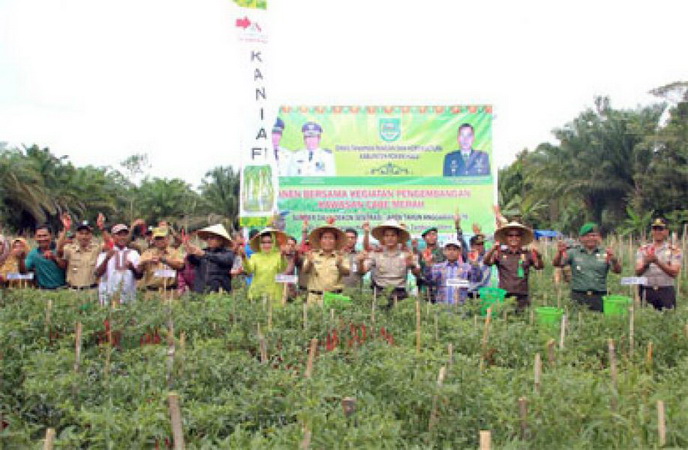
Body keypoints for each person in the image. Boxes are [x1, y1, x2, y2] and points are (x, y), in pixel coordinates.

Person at [553, 223, 622, 311]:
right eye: (587, 236)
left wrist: (614, 260)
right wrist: (559, 253)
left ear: (598, 237)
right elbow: (557, 264)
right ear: (581, 238)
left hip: (599, 296)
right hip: (578, 296)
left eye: (594, 235)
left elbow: (618, 271)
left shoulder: (605, 253)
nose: (591, 238)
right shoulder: (573, 252)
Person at [357, 219, 420, 307]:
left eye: (393, 235)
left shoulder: (407, 254)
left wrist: (412, 265)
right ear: (383, 238)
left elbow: (417, 273)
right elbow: (362, 271)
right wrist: (360, 262)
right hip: (380, 294)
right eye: (387, 235)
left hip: (400, 294)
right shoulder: (376, 253)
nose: (390, 238)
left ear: (398, 237)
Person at [484, 221, 543, 310]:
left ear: (521, 238)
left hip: (522, 296)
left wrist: (539, 256)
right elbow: (487, 262)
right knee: (504, 320)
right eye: (510, 235)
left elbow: (539, 267)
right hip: (504, 295)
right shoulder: (499, 254)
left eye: (517, 235)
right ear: (506, 238)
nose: (514, 238)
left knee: (522, 321)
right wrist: (493, 249)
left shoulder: (528, 254)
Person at [238, 227, 295, 305]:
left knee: (273, 316)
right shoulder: (255, 256)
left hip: (274, 295)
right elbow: (249, 270)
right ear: (259, 243)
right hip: (257, 294)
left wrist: (282, 256)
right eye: (263, 242)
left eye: (269, 242)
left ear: (274, 242)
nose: (266, 245)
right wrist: (244, 258)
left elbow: (282, 268)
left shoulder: (278, 256)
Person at [635, 217, 682, 310]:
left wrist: (657, 261)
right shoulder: (643, 249)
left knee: (667, 319)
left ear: (666, 232)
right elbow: (637, 271)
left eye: (661, 229)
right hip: (647, 290)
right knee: (646, 319)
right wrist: (646, 263)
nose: (657, 232)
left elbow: (674, 272)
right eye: (655, 229)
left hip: (666, 291)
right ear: (652, 231)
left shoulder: (674, 250)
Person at [302, 222, 350, 305]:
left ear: (335, 241)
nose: (328, 241)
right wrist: (310, 262)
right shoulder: (312, 255)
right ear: (320, 240)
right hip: (314, 298)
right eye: (325, 238)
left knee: (334, 318)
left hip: (334, 297)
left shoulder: (341, 256)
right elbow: (305, 271)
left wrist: (339, 265)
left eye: (331, 238)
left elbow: (347, 273)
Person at [57, 217, 107, 291]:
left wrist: (102, 229)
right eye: (81, 233)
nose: (84, 237)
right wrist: (65, 229)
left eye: (87, 234)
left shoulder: (97, 249)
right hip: (73, 291)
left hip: (91, 291)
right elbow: (59, 249)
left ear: (91, 235)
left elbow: (110, 245)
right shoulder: (70, 249)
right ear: (76, 234)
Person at [95, 224, 141, 303]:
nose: (122, 237)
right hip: (108, 297)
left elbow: (139, 276)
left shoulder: (134, 253)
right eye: (119, 235)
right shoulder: (105, 253)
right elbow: (97, 273)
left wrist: (132, 267)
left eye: (125, 235)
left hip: (128, 298)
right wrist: (107, 259)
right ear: (112, 237)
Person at [185, 224, 235, 294]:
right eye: (207, 238)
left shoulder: (228, 253)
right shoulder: (203, 251)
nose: (208, 240)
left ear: (220, 240)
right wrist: (190, 253)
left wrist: (204, 254)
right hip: (201, 291)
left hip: (220, 292)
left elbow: (223, 259)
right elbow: (193, 261)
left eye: (212, 238)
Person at [135, 227, 185, 297]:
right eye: (157, 239)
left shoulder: (174, 252)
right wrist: (144, 262)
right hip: (152, 293)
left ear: (167, 239)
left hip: (170, 292)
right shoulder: (147, 253)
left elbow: (181, 266)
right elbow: (138, 272)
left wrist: (163, 259)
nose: (160, 241)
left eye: (162, 238)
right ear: (153, 240)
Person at [424, 238, 474, 305]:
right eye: (449, 249)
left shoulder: (466, 268)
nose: (451, 252)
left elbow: (477, 278)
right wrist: (428, 265)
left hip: (461, 309)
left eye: (454, 249)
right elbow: (429, 281)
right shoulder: (437, 267)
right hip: (442, 308)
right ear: (444, 251)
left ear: (459, 252)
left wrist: (475, 264)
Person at [19, 225, 66, 290]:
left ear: (51, 236)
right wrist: (21, 259)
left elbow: (65, 266)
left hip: (62, 289)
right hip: (43, 291)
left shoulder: (59, 250)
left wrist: (54, 258)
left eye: (45, 235)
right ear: (35, 237)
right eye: (39, 236)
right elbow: (23, 272)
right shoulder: (33, 254)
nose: (42, 239)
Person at [466, 233, 492, 299]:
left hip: (485, 292)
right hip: (471, 292)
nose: (481, 246)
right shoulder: (468, 256)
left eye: (482, 244)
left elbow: (496, 241)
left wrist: (485, 235)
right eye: (478, 244)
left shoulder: (488, 255)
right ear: (471, 246)